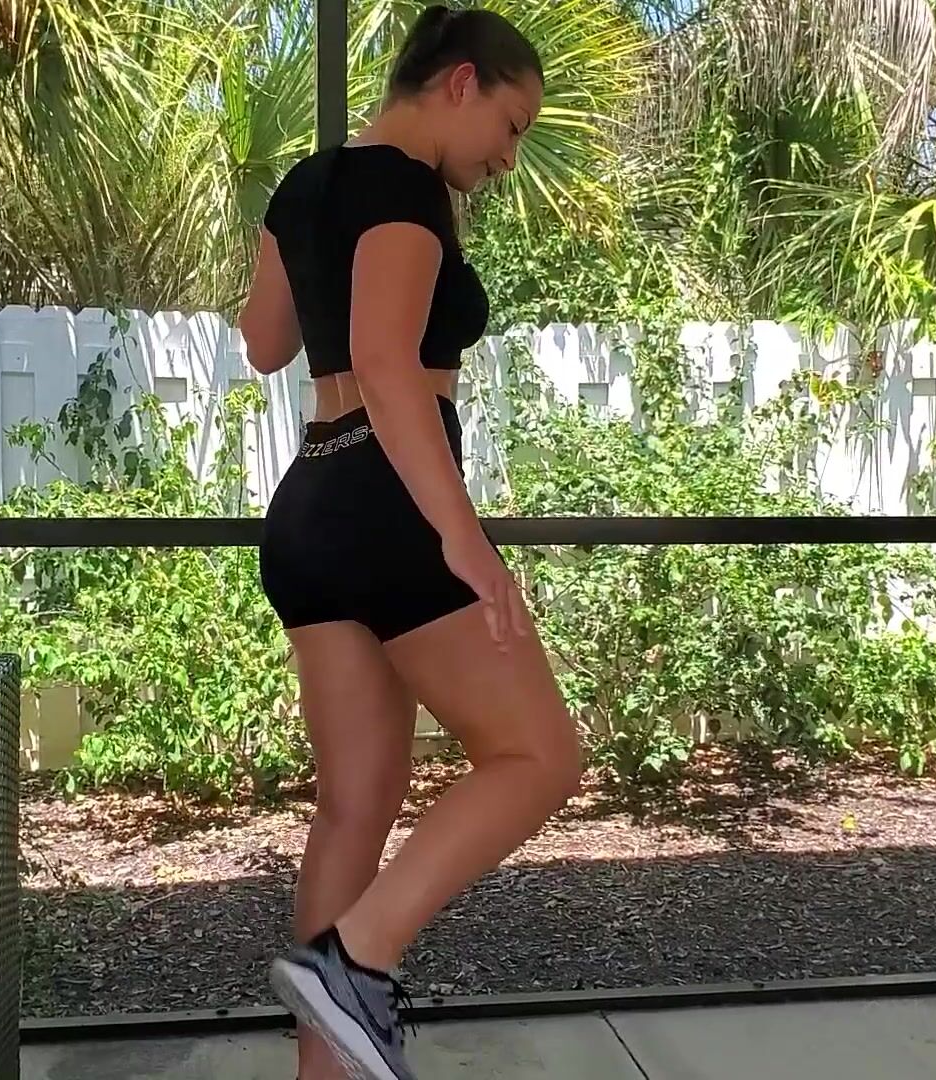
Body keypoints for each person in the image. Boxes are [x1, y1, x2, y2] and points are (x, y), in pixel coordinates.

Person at [235, 6, 581, 1079]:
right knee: (540, 758)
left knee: (355, 805)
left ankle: (325, 1063)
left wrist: (319, 260)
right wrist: (462, 538)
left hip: (310, 504)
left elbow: (264, 342)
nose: (509, 159)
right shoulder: (407, 187)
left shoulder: (305, 187)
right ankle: (360, 958)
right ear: (461, 82)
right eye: (512, 126)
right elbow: (388, 367)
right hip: (388, 505)